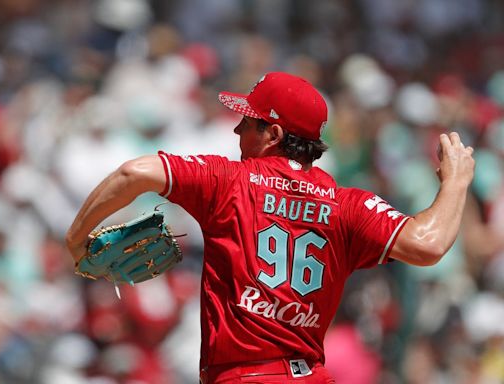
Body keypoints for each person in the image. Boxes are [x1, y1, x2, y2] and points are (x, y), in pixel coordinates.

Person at [66, 72, 475, 383]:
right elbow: (430, 243)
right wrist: (455, 183)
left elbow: (131, 174)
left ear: (274, 134)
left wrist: (75, 240)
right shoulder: (349, 205)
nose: (236, 129)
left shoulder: (228, 181)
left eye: (248, 121)